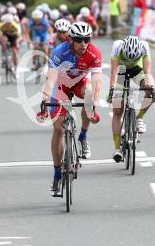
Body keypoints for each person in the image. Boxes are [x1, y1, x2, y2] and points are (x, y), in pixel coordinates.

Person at [37, 22, 102, 197]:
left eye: (87, 39)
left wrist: (94, 104)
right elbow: (50, 80)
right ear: (71, 40)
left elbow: (97, 82)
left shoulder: (94, 52)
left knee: (89, 93)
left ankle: (83, 134)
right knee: (58, 128)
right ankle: (57, 173)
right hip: (61, 87)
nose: (83, 43)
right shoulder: (60, 51)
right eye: (79, 40)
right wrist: (44, 102)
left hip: (80, 83)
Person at [107, 35, 155, 162]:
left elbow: (148, 72)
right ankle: (117, 149)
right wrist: (113, 90)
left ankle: (139, 118)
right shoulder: (117, 45)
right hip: (121, 71)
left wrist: (150, 88)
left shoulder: (144, 46)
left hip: (136, 70)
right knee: (117, 110)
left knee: (150, 90)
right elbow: (114, 72)